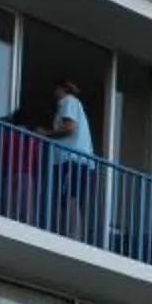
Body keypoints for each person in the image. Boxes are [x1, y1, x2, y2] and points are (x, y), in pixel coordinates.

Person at [44, 78, 98, 239]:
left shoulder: (69, 101)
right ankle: (72, 233)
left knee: (70, 196)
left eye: (55, 90)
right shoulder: (72, 103)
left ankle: (71, 233)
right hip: (75, 160)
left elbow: (69, 128)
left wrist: (45, 134)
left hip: (72, 159)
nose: (54, 94)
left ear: (61, 89)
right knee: (71, 196)